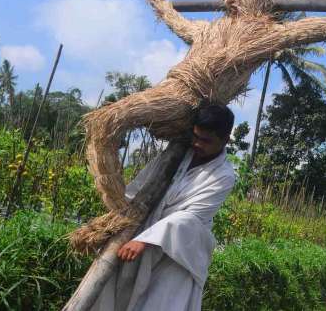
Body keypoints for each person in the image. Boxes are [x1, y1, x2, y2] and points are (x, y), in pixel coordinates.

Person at [90, 105, 237, 311]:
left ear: (224, 140)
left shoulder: (223, 176)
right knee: (116, 299)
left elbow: (191, 217)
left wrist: (146, 240)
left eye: (206, 141)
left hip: (179, 254)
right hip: (137, 238)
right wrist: (117, 217)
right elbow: (142, 186)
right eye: (195, 136)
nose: (197, 143)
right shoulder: (176, 155)